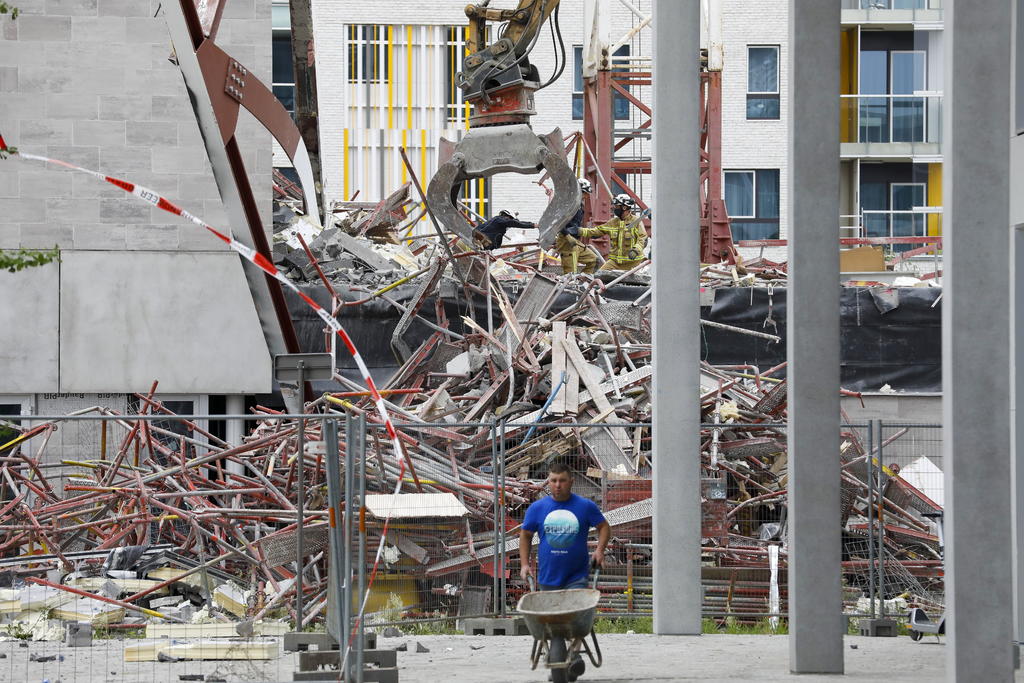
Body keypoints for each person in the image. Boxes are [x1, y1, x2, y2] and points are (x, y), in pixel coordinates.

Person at [520, 462, 609, 681]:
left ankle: (574, 653)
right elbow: (525, 536)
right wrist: (524, 564)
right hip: (548, 575)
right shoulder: (537, 509)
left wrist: (599, 550)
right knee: (552, 622)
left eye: (561, 480)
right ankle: (561, 661)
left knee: (576, 619)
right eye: (553, 480)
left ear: (571, 481)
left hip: (576, 575)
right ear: (548, 482)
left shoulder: (584, 506)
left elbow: (604, 527)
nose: (557, 485)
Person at [562, 193, 648, 271]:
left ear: (624, 207)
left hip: (634, 263)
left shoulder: (636, 222)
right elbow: (597, 231)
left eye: (617, 206)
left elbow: (643, 238)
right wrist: (578, 230)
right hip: (615, 263)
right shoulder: (613, 222)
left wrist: (635, 250)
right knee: (599, 276)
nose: (614, 208)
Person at [554, 179, 599, 274]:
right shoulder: (567, 204)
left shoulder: (578, 204)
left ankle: (583, 280)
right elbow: (558, 222)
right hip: (566, 241)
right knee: (571, 274)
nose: (586, 196)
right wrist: (568, 236)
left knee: (592, 259)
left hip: (575, 241)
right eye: (585, 193)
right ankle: (570, 286)